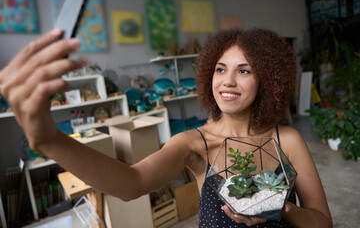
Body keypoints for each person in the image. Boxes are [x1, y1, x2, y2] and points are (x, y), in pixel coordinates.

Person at [0, 27, 332, 227]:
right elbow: (132, 183)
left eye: (244, 71)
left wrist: (280, 209)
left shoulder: (287, 140)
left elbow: (321, 221)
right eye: (220, 69)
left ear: (267, 81)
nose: (228, 80)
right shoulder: (195, 144)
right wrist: (50, 141)